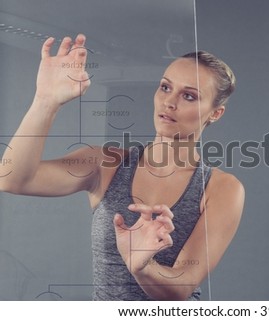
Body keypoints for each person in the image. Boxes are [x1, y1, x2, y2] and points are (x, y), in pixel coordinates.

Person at [0, 34, 245, 300]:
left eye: (189, 96)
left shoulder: (221, 188)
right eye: (165, 87)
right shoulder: (105, 164)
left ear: (215, 113)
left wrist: (142, 265)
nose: (169, 102)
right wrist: (45, 102)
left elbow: (182, 287)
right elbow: (12, 179)